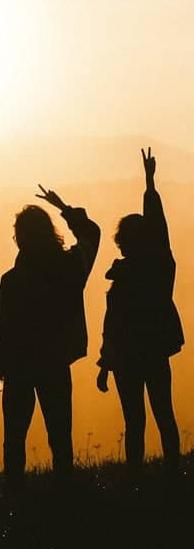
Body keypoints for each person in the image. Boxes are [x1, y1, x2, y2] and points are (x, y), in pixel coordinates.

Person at [0, 186, 100, 482]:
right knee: (60, 434)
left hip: (19, 366)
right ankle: (65, 493)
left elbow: (5, 330)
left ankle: (13, 493)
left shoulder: (11, 280)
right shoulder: (71, 267)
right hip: (55, 361)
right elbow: (91, 235)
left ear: (19, 238)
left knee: (14, 437)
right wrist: (64, 207)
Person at [96, 148, 183, 473]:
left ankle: (136, 476)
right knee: (163, 414)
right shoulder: (160, 267)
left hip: (128, 357)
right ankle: (172, 471)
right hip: (153, 351)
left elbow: (112, 324)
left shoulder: (137, 271)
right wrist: (149, 184)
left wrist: (107, 363)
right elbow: (160, 230)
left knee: (135, 420)